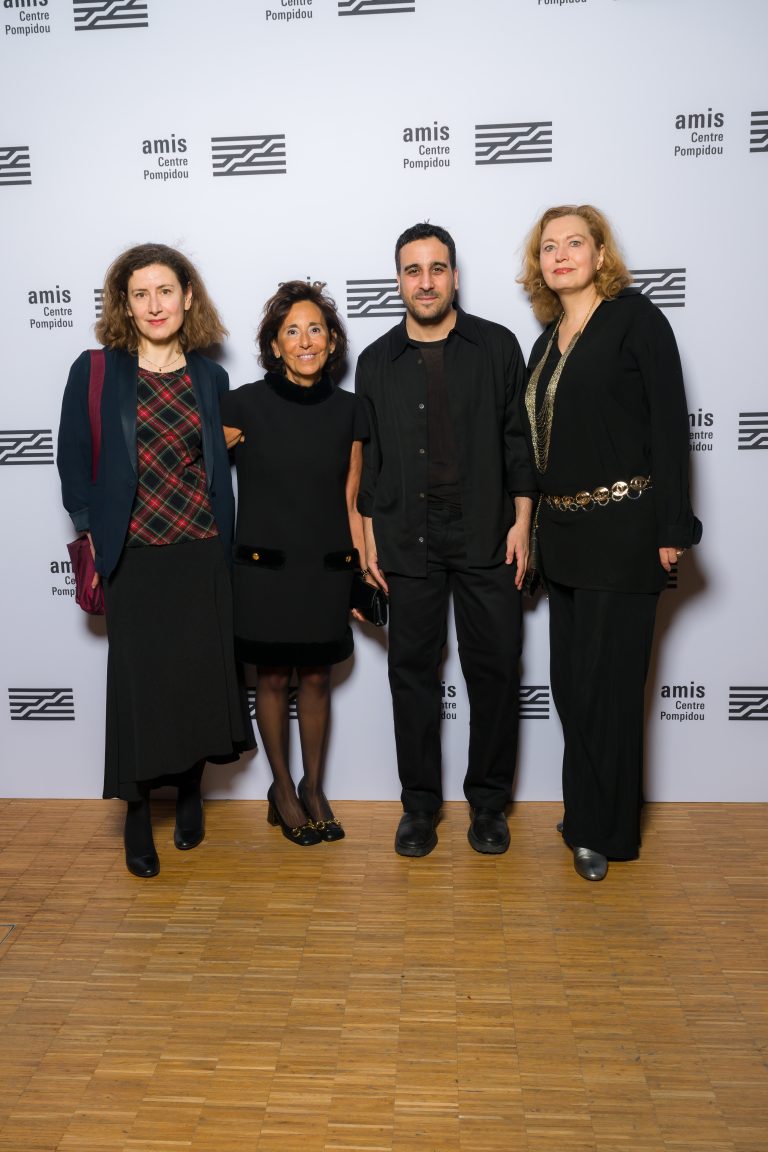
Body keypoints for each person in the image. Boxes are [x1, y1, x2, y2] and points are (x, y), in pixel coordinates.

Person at [518, 204, 702, 881]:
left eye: (574, 243)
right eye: (548, 248)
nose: (560, 256)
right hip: (563, 538)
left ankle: (607, 832)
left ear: (600, 254)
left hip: (625, 534)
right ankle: (586, 808)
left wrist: (671, 529)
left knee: (611, 691)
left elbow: (669, 427)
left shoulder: (636, 320)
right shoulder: (546, 340)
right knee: (572, 687)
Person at [57, 243, 251, 878]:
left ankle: (190, 790)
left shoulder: (210, 380)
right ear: (125, 304)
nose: (154, 304)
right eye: (139, 294)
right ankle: (137, 814)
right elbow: (73, 463)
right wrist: (90, 534)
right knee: (140, 692)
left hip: (201, 552)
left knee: (196, 682)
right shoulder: (95, 371)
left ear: (187, 297)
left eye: (165, 291)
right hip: (134, 557)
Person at [355, 223, 535, 858]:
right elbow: (369, 463)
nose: (425, 281)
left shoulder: (497, 346)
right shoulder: (376, 361)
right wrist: (368, 539)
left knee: (494, 673)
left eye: (437, 268)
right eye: (412, 270)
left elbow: (519, 443)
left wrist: (522, 523)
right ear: (399, 279)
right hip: (408, 541)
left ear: (455, 276)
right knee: (411, 676)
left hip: (488, 536)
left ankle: (488, 805)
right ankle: (420, 807)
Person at [220, 281, 368, 846]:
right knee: (274, 678)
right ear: (274, 346)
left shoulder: (352, 410)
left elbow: (353, 500)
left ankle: (313, 787)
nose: (305, 340)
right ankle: (281, 789)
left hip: (326, 568)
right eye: (292, 331)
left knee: (317, 678)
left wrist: (359, 574)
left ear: (332, 342)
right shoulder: (242, 405)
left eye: (316, 329)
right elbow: (202, 476)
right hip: (263, 570)